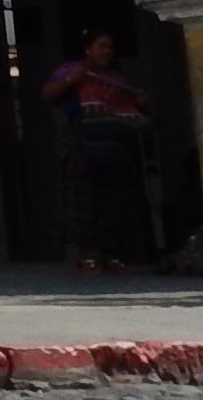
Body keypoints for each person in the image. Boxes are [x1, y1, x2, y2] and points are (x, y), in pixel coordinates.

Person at [42, 28, 154, 271]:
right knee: (82, 202)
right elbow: (48, 94)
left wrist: (141, 103)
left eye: (109, 47)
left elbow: (134, 109)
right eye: (101, 46)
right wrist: (71, 81)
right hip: (82, 144)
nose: (106, 52)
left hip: (114, 148)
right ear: (87, 49)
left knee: (113, 201)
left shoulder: (118, 81)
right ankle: (83, 256)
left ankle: (110, 254)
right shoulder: (71, 71)